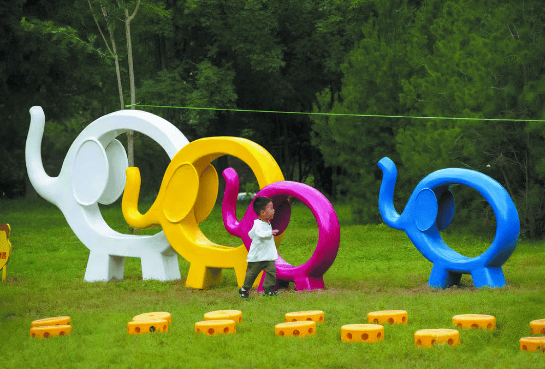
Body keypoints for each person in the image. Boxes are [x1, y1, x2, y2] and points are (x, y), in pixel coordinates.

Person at [238, 196, 279, 299]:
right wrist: (270, 232)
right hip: (257, 257)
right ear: (263, 213)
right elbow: (260, 234)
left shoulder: (267, 222)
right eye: (270, 208)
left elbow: (251, 234)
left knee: (271, 272)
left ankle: (268, 290)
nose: (273, 210)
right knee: (251, 274)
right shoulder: (258, 224)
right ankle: (244, 289)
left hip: (267, 256)